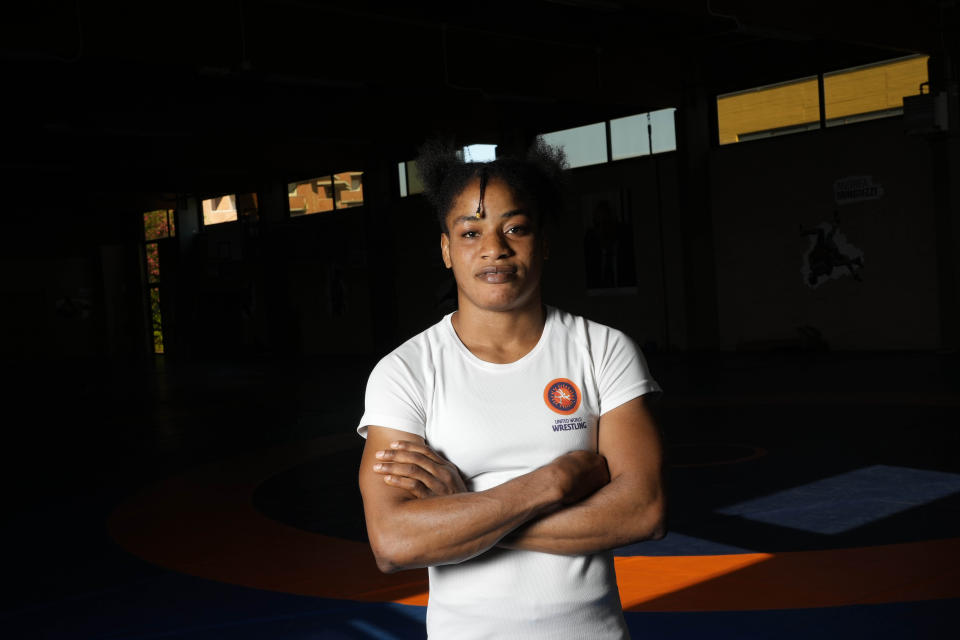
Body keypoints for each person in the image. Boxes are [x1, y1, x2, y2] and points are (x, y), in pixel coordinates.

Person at [356, 139, 665, 639]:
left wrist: (462, 517)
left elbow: (643, 511)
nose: (493, 248)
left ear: (542, 242)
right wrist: (554, 483)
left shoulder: (603, 351)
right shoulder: (404, 372)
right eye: (470, 231)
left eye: (515, 229)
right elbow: (394, 543)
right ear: (445, 249)